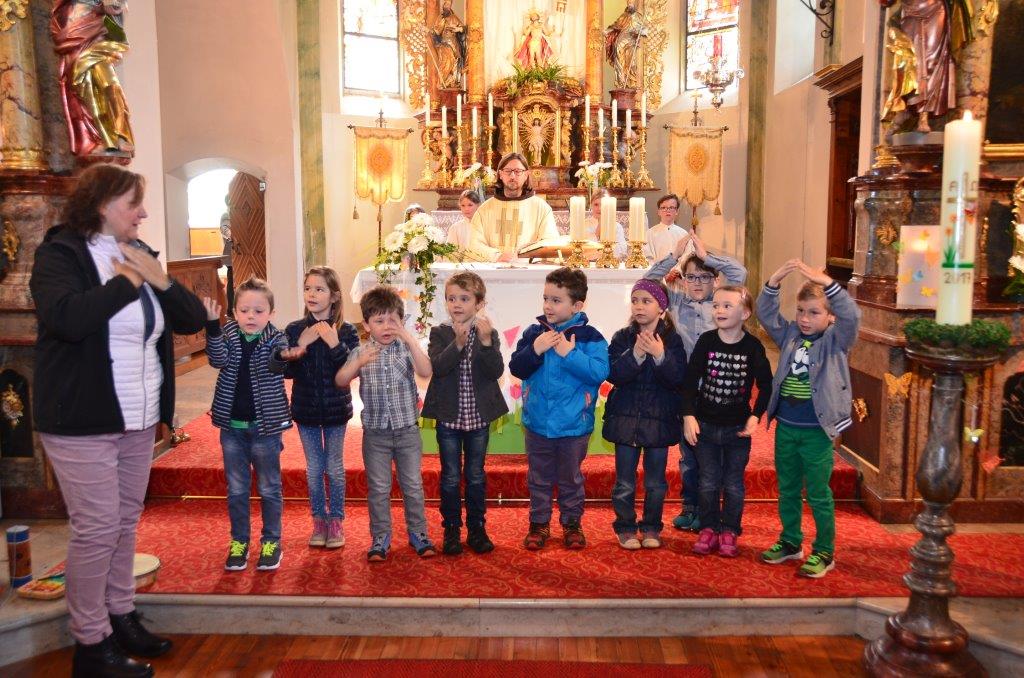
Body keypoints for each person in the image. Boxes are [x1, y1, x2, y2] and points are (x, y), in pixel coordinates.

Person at [30, 164, 206, 677]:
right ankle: (91, 645)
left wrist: (160, 279)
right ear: (102, 204)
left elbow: (192, 318)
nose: (143, 213)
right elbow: (68, 319)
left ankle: (119, 613)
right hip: (82, 415)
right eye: (134, 204)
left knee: (125, 520)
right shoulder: (60, 254)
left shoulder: (139, 251)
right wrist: (130, 279)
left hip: (138, 413)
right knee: (97, 528)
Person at [757, 260, 861, 578]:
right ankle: (791, 541)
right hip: (787, 426)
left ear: (831, 316)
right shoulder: (790, 334)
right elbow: (765, 314)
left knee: (817, 493)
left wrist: (828, 284)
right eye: (801, 311)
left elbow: (852, 316)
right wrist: (773, 281)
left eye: (814, 312)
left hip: (816, 430)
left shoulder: (835, 341)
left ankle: (824, 551)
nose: (804, 318)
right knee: (787, 489)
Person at [644, 233, 746, 533]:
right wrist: (674, 258)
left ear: (715, 280)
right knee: (688, 456)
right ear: (683, 280)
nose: (698, 283)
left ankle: (709, 509)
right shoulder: (676, 302)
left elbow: (740, 274)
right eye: (691, 277)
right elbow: (648, 282)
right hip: (687, 393)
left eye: (704, 277)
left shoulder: (722, 304)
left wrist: (707, 257)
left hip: (718, 392)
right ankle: (690, 506)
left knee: (713, 458)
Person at [509, 268, 609, 550]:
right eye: (545, 298)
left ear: (577, 305)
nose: (548, 306)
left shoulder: (590, 337)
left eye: (556, 300)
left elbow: (599, 372)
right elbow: (517, 367)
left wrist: (569, 353)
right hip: (538, 422)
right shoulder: (534, 333)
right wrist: (535, 349)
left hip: (574, 425)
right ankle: (539, 523)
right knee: (538, 478)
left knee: (570, 478)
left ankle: (572, 523)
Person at [335, 286, 437, 561]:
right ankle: (380, 537)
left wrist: (409, 337)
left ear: (401, 321)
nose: (387, 327)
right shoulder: (361, 351)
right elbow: (341, 380)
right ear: (367, 325)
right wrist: (357, 363)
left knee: (412, 485)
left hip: (407, 432)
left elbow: (426, 371)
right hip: (375, 434)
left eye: (393, 320)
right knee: (379, 488)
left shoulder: (406, 348)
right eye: (379, 321)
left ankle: (419, 532)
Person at [203, 278, 293, 573]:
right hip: (232, 428)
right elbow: (218, 360)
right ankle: (239, 542)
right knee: (237, 489)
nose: (251, 316)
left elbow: (276, 365)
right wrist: (212, 327)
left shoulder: (276, 338)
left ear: (271, 313)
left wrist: (283, 356)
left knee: (269, 487)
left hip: (266, 429)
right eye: (244, 310)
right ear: (234, 312)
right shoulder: (228, 333)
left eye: (258, 310)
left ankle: (271, 542)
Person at [681, 285, 772, 558]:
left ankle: (730, 529)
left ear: (745, 313)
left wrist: (756, 416)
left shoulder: (753, 347)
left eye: (727, 306)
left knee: (733, 483)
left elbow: (766, 386)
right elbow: (690, 381)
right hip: (706, 427)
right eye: (716, 305)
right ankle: (708, 527)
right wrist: (688, 415)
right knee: (708, 481)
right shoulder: (707, 341)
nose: (719, 310)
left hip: (737, 430)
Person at [421, 272, 508, 555]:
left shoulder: (488, 333)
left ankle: (477, 528)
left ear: (479, 303)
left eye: (464, 298)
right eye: (451, 298)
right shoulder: (440, 332)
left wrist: (485, 342)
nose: (456, 304)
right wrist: (457, 344)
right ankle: (451, 529)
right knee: (449, 476)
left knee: (475, 475)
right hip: (449, 418)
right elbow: (438, 367)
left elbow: (495, 371)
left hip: (477, 419)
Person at [603, 280, 686, 550]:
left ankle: (651, 527)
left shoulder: (673, 340)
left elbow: (678, 378)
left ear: (661, 307)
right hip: (625, 419)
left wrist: (661, 355)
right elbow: (613, 374)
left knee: (655, 483)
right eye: (635, 300)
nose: (639, 306)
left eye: (646, 301)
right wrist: (636, 354)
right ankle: (625, 527)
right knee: (624, 482)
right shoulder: (622, 337)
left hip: (659, 420)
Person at [283, 267, 359, 549]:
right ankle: (318, 520)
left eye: (319, 289)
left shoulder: (347, 330)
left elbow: (350, 372)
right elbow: (286, 372)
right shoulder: (294, 329)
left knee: (335, 468)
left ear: (334, 296)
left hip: (336, 410)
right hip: (306, 410)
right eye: (308, 288)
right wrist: (300, 346)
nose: (311, 294)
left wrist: (334, 344)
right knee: (314, 469)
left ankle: (336, 521)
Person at [51, 0, 135, 156]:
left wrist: (112, 5)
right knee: (87, 92)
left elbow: (118, 5)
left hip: (97, 35)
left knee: (111, 86)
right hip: (74, 33)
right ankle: (101, 139)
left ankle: (120, 134)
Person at [467, 152, 559, 262]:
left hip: (529, 269)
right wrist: (497, 256)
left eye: (518, 171)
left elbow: (549, 243)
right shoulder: (484, 210)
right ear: (500, 174)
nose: (512, 176)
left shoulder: (541, 208)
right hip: (494, 269)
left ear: (526, 175)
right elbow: (474, 245)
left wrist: (524, 256)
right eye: (507, 171)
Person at [605, 0, 647, 90]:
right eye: (628, 2)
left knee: (631, 62)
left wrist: (641, 31)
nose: (629, 4)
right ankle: (620, 82)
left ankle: (631, 82)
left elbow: (645, 30)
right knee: (618, 60)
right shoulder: (623, 16)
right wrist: (607, 31)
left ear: (634, 4)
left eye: (631, 2)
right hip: (620, 41)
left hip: (631, 42)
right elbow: (615, 25)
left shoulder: (639, 17)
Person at [643, 194, 689, 262]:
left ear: (677, 211)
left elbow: (687, 257)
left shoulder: (684, 234)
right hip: (656, 268)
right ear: (658, 212)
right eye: (664, 208)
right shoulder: (649, 233)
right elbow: (647, 257)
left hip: (678, 268)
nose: (667, 210)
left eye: (671, 207)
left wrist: (678, 267)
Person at [584, 190, 628, 260]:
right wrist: (597, 233)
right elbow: (584, 251)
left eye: (603, 205)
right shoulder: (583, 225)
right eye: (596, 204)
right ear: (591, 205)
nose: (599, 208)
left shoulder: (617, 226)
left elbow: (622, 251)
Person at [432, 0, 466, 90]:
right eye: (446, 4)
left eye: (449, 4)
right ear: (443, 5)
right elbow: (436, 31)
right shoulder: (440, 17)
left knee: (455, 63)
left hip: (454, 44)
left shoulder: (454, 17)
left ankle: (452, 82)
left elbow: (462, 28)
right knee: (445, 62)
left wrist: (458, 29)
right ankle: (442, 82)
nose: (447, 6)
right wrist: (427, 30)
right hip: (444, 43)